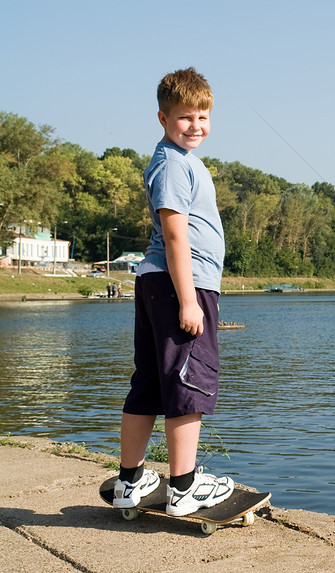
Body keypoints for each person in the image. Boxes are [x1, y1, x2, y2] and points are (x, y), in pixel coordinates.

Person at [113, 67, 234, 517]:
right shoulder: (170, 164)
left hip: (160, 282)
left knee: (149, 382)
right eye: (185, 117)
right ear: (162, 118)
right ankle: (183, 486)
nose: (196, 126)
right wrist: (188, 299)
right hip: (181, 284)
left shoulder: (184, 161)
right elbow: (175, 234)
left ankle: (131, 480)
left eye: (203, 117)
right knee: (189, 381)